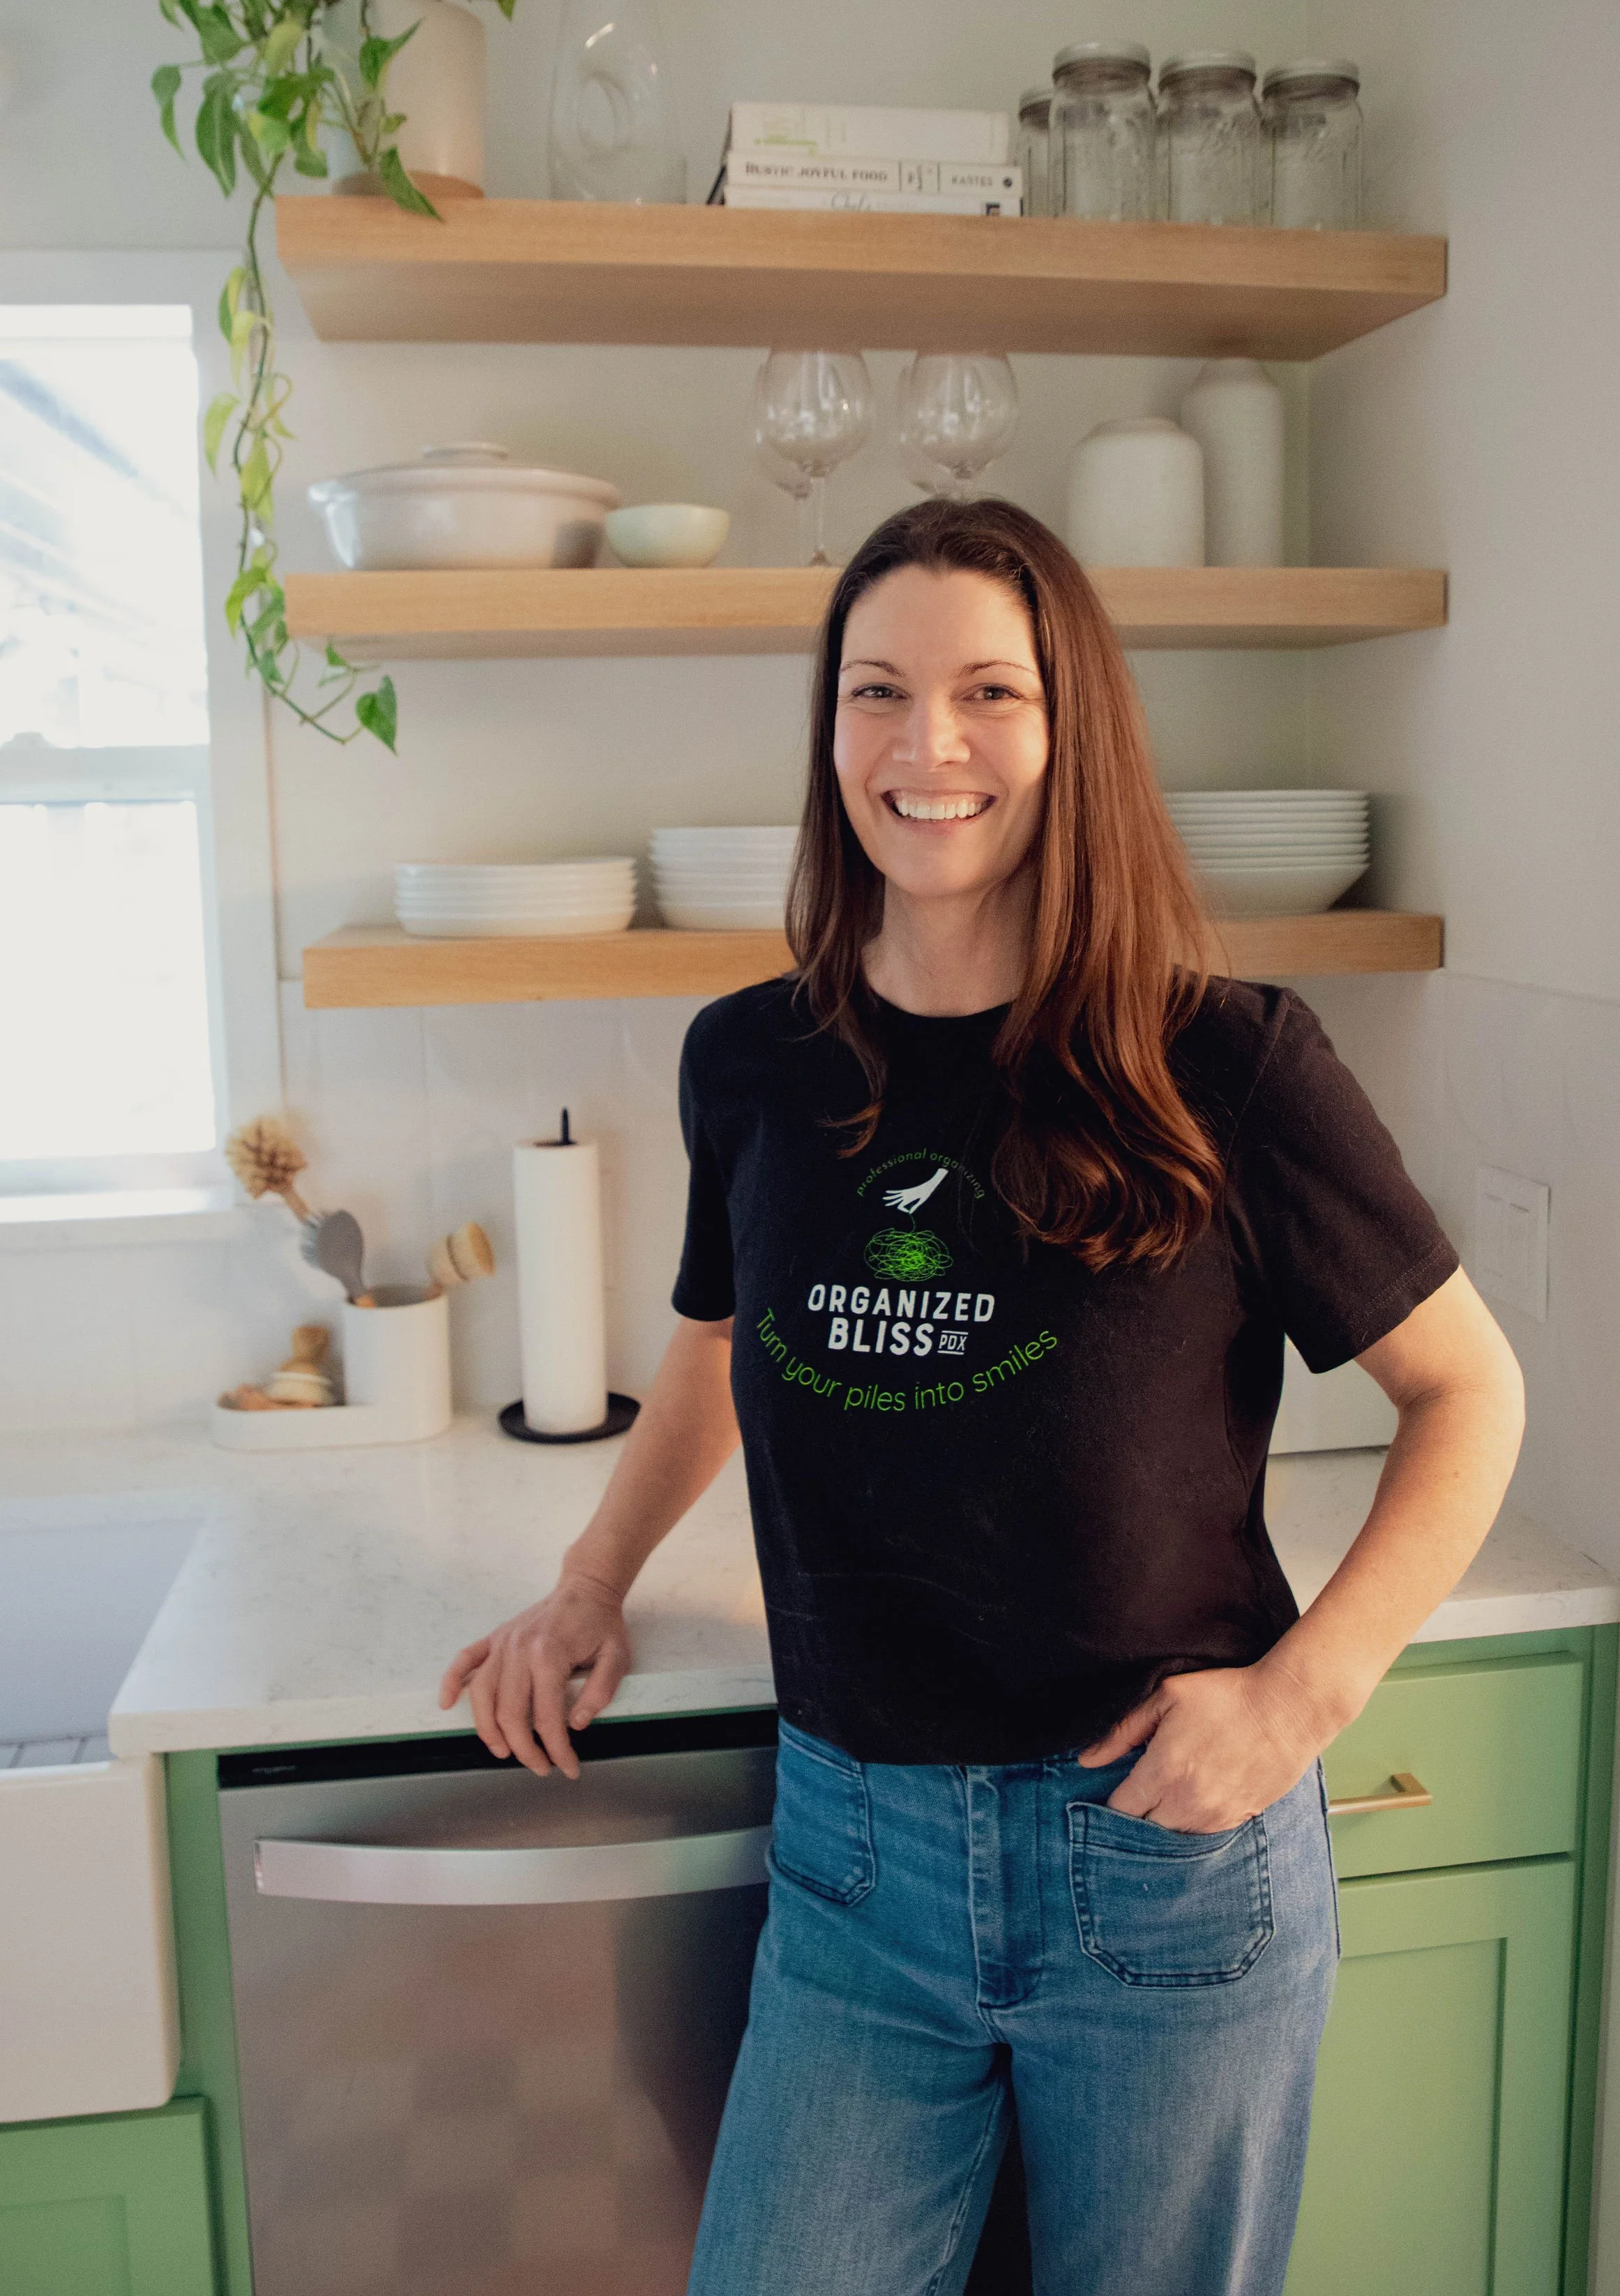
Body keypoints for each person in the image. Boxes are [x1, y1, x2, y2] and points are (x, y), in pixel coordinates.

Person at [441, 498, 1524, 2296]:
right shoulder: (753, 1058)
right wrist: (588, 1582)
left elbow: (1466, 1390)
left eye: (988, 693)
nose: (927, 746)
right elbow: (725, 1345)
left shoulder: (1224, 1058)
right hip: (855, 1868)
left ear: (1066, 727)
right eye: (878, 692)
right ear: (831, 732)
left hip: (1164, 1866)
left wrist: (1300, 1702)